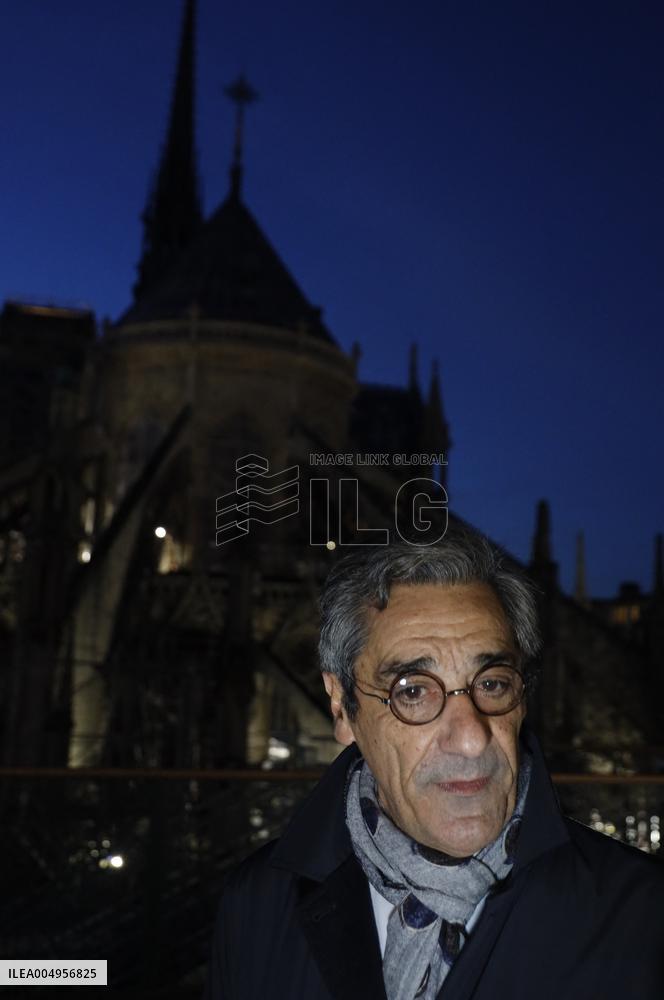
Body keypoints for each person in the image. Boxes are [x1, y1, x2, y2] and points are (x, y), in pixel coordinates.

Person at [204, 528, 663, 999]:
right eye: (414, 692)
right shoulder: (257, 903)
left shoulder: (642, 915)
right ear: (342, 707)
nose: (470, 738)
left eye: (492, 684)